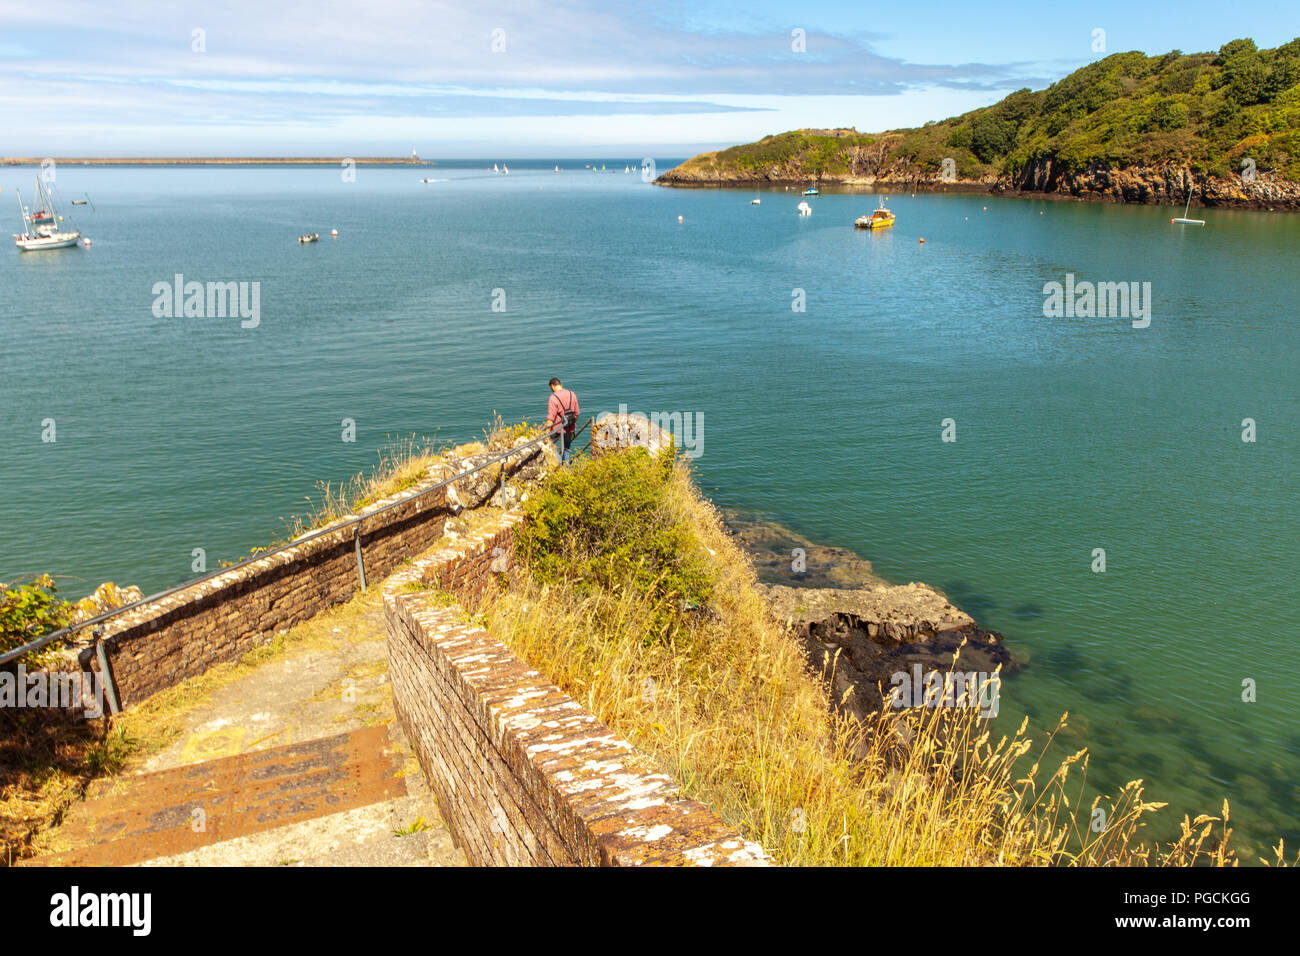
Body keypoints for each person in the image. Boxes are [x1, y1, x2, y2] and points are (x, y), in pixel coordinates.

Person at [546, 377, 579, 465]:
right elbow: (576, 414)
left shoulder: (553, 398)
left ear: (552, 386)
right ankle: (566, 468)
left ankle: (559, 463)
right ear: (561, 385)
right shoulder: (572, 394)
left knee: (549, 445)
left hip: (558, 428)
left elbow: (550, 418)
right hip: (570, 427)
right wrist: (572, 424)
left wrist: (546, 433)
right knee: (567, 449)